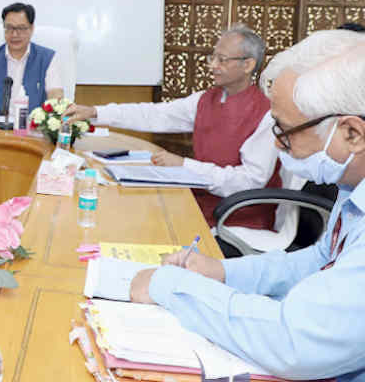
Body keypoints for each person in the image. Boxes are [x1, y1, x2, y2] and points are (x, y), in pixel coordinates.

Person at [130, 29, 365, 381]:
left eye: (285, 132)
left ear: (352, 134)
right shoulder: (351, 189)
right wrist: (222, 273)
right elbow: (319, 261)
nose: (277, 145)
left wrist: (171, 287)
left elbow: (292, 342)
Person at [64, 24, 280, 232]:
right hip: (200, 205)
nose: (213, 65)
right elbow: (154, 114)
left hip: (237, 220)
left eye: (222, 60)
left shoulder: (267, 114)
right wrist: (95, 112)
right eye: (212, 57)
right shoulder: (206, 100)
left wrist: (185, 165)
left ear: (248, 65)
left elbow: (249, 182)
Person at [0, 2, 64, 118]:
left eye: (21, 28)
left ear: (31, 28)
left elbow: (55, 96)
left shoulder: (47, 58)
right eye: (9, 28)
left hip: (33, 131)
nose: (14, 34)